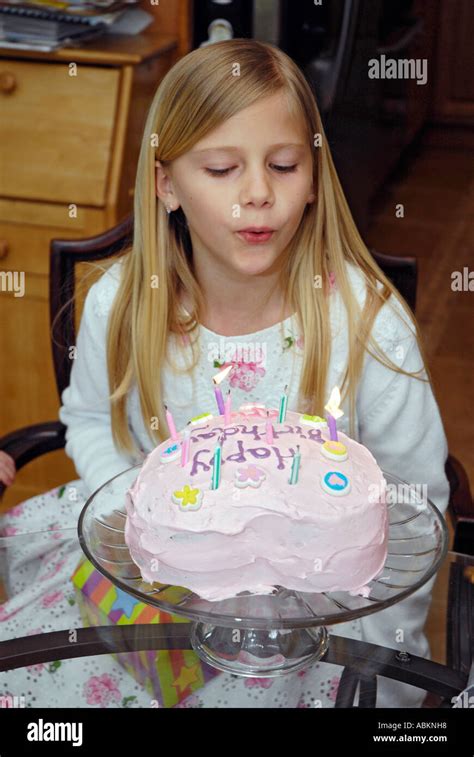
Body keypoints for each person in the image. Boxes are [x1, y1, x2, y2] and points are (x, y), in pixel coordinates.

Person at [0, 39, 450, 708]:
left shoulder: (366, 324)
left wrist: (377, 670)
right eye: (220, 168)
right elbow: (89, 420)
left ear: (315, 177)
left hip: (318, 613)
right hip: (152, 580)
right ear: (166, 184)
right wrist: (141, 512)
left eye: (284, 164)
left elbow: (415, 501)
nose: (258, 194)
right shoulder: (121, 304)